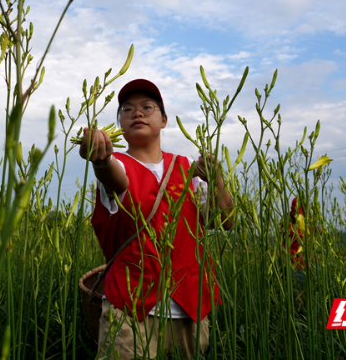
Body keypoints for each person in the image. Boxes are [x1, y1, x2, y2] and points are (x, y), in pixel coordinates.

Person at [80, 79, 235, 360]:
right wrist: (101, 162)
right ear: (120, 127)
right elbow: (115, 179)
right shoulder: (118, 165)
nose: (137, 113)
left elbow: (226, 221)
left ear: (163, 120)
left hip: (190, 307)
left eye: (147, 107)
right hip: (128, 310)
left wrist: (216, 178)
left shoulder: (187, 168)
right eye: (127, 109)